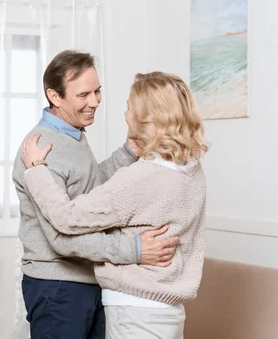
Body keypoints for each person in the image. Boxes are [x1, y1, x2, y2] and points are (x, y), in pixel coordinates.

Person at [21, 71, 208, 339]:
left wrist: (37, 170)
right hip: (169, 309)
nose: (125, 115)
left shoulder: (142, 177)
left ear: (148, 117)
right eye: (84, 94)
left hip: (135, 309)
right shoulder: (191, 169)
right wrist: (129, 153)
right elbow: (109, 193)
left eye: (130, 108)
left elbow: (67, 217)